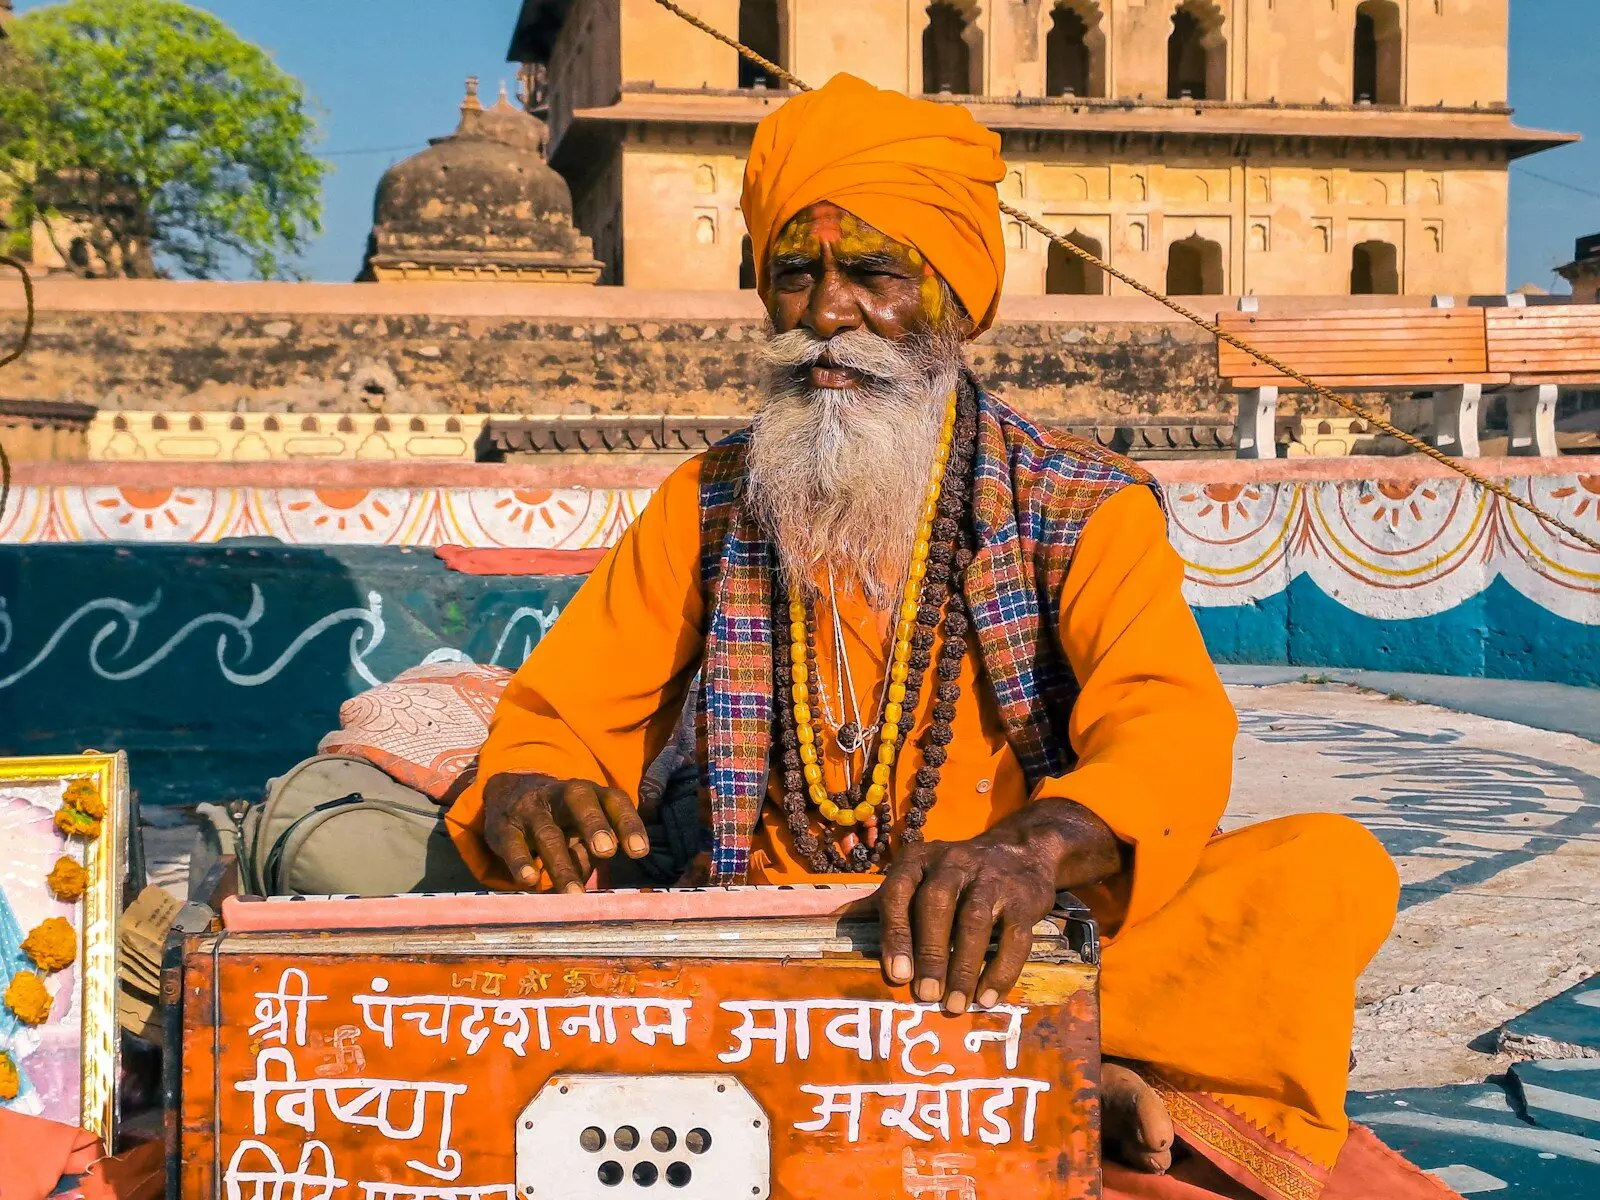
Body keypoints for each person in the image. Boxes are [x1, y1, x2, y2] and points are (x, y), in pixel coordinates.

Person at [447, 75, 1430, 1200]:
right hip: (775, 941)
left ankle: (1023, 1042)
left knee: (1319, 874)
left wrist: (1029, 848)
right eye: (796, 274)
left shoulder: (1075, 503)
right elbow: (561, 715)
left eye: (873, 274)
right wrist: (533, 784)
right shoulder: (707, 503)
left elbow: (1166, 733)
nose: (827, 315)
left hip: (1015, 929)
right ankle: (1049, 1063)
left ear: (957, 302)